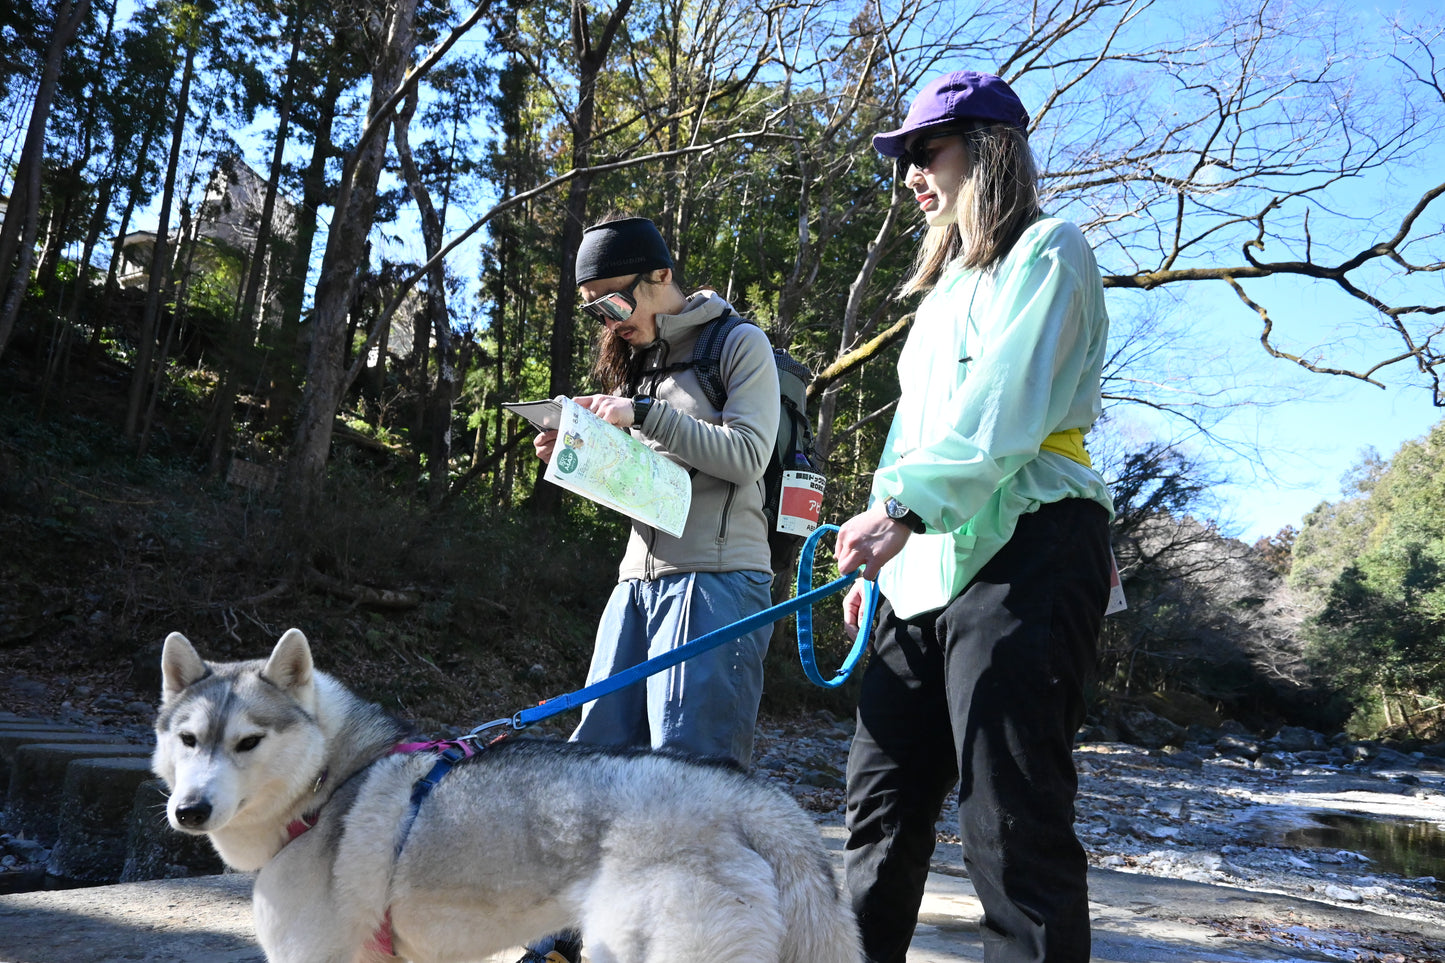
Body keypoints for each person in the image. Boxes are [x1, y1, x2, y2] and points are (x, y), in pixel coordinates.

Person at [832, 70, 1115, 963]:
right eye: (904, 159)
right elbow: (911, 436)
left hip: (1032, 543)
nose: (912, 173)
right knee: (878, 808)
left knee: (1009, 816)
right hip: (918, 561)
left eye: (928, 150)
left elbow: (1005, 405)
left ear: (989, 149)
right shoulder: (940, 292)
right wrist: (880, 536)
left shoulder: (1050, 249)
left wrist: (904, 509)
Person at [520, 215, 780, 963]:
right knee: (594, 765)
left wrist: (645, 414)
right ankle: (561, 945)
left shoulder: (738, 344)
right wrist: (580, 453)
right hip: (635, 584)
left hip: (717, 583)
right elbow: (649, 488)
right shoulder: (639, 363)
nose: (608, 320)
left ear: (659, 277)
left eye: (612, 301)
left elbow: (748, 455)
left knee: (690, 779)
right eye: (593, 309)